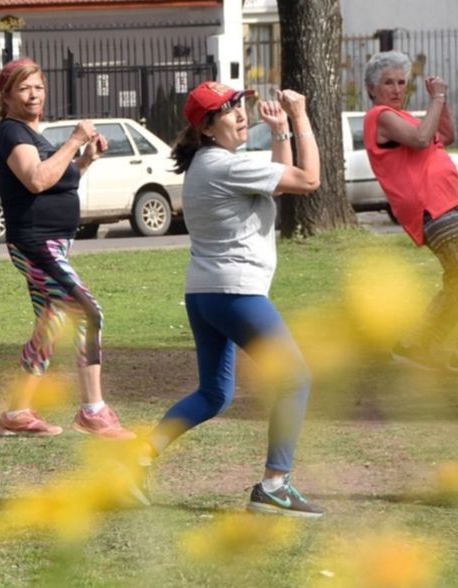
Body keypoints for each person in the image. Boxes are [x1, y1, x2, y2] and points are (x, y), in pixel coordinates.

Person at [130, 81, 324, 517]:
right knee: (295, 378)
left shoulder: (210, 163)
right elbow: (308, 181)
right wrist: (300, 117)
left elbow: (278, 185)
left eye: (240, 106)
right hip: (234, 292)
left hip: (205, 293)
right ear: (206, 128)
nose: (240, 114)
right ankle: (274, 485)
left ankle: (135, 460)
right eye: (228, 111)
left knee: (214, 393)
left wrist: (279, 131)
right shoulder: (223, 165)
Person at [0, 57, 132, 439]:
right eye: (23, 88)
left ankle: (17, 413)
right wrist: (73, 141)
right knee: (89, 312)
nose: (33, 94)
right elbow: (36, 180)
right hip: (35, 243)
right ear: (6, 96)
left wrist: (84, 160)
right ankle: (93, 411)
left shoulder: (33, 136)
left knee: (51, 324)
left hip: (50, 243)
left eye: (38, 86)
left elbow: (54, 180)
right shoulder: (11, 134)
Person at [362, 51, 458, 378]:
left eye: (402, 82)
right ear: (372, 88)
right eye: (388, 82)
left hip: (444, 203)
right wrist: (438, 99)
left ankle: (415, 346)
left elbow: (446, 136)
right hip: (432, 206)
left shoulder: (403, 117)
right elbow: (420, 140)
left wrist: (441, 101)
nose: (397, 89)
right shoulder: (380, 116)